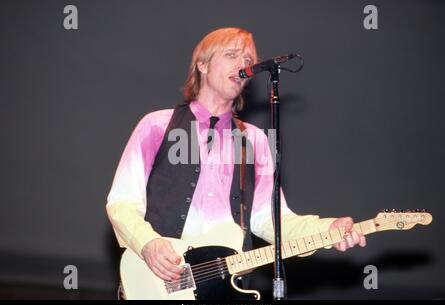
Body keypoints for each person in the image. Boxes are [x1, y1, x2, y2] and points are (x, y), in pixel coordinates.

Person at [106, 27, 366, 287]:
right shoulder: (156, 125)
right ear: (203, 65)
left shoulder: (255, 140)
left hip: (224, 285)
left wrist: (327, 230)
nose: (243, 64)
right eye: (232, 54)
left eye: (248, 60)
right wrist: (147, 243)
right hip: (161, 281)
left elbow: (269, 219)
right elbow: (122, 202)